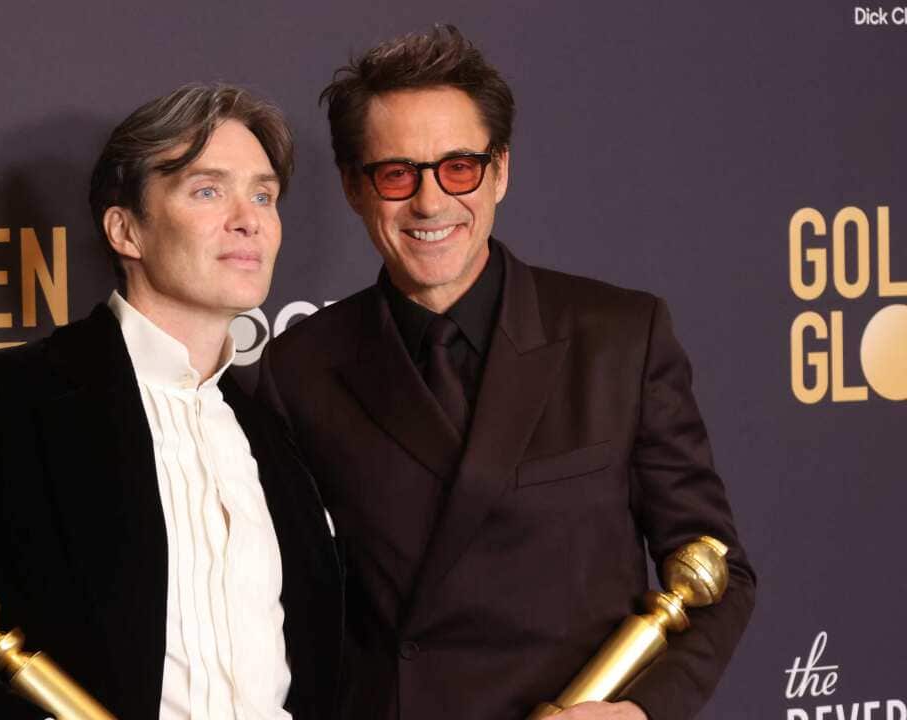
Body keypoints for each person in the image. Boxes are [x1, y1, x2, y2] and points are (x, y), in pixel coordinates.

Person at [257, 25, 755, 720]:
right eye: (397, 173)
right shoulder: (297, 369)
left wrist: (642, 713)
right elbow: (282, 610)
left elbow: (714, 571)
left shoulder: (619, 338)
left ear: (500, 172)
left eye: (458, 167)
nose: (430, 203)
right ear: (352, 188)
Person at [0, 83, 341, 720]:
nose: (249, 218)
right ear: (125, 229)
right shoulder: (6, 402)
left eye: (263, 194)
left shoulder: (272, 432)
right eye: (207, 190)